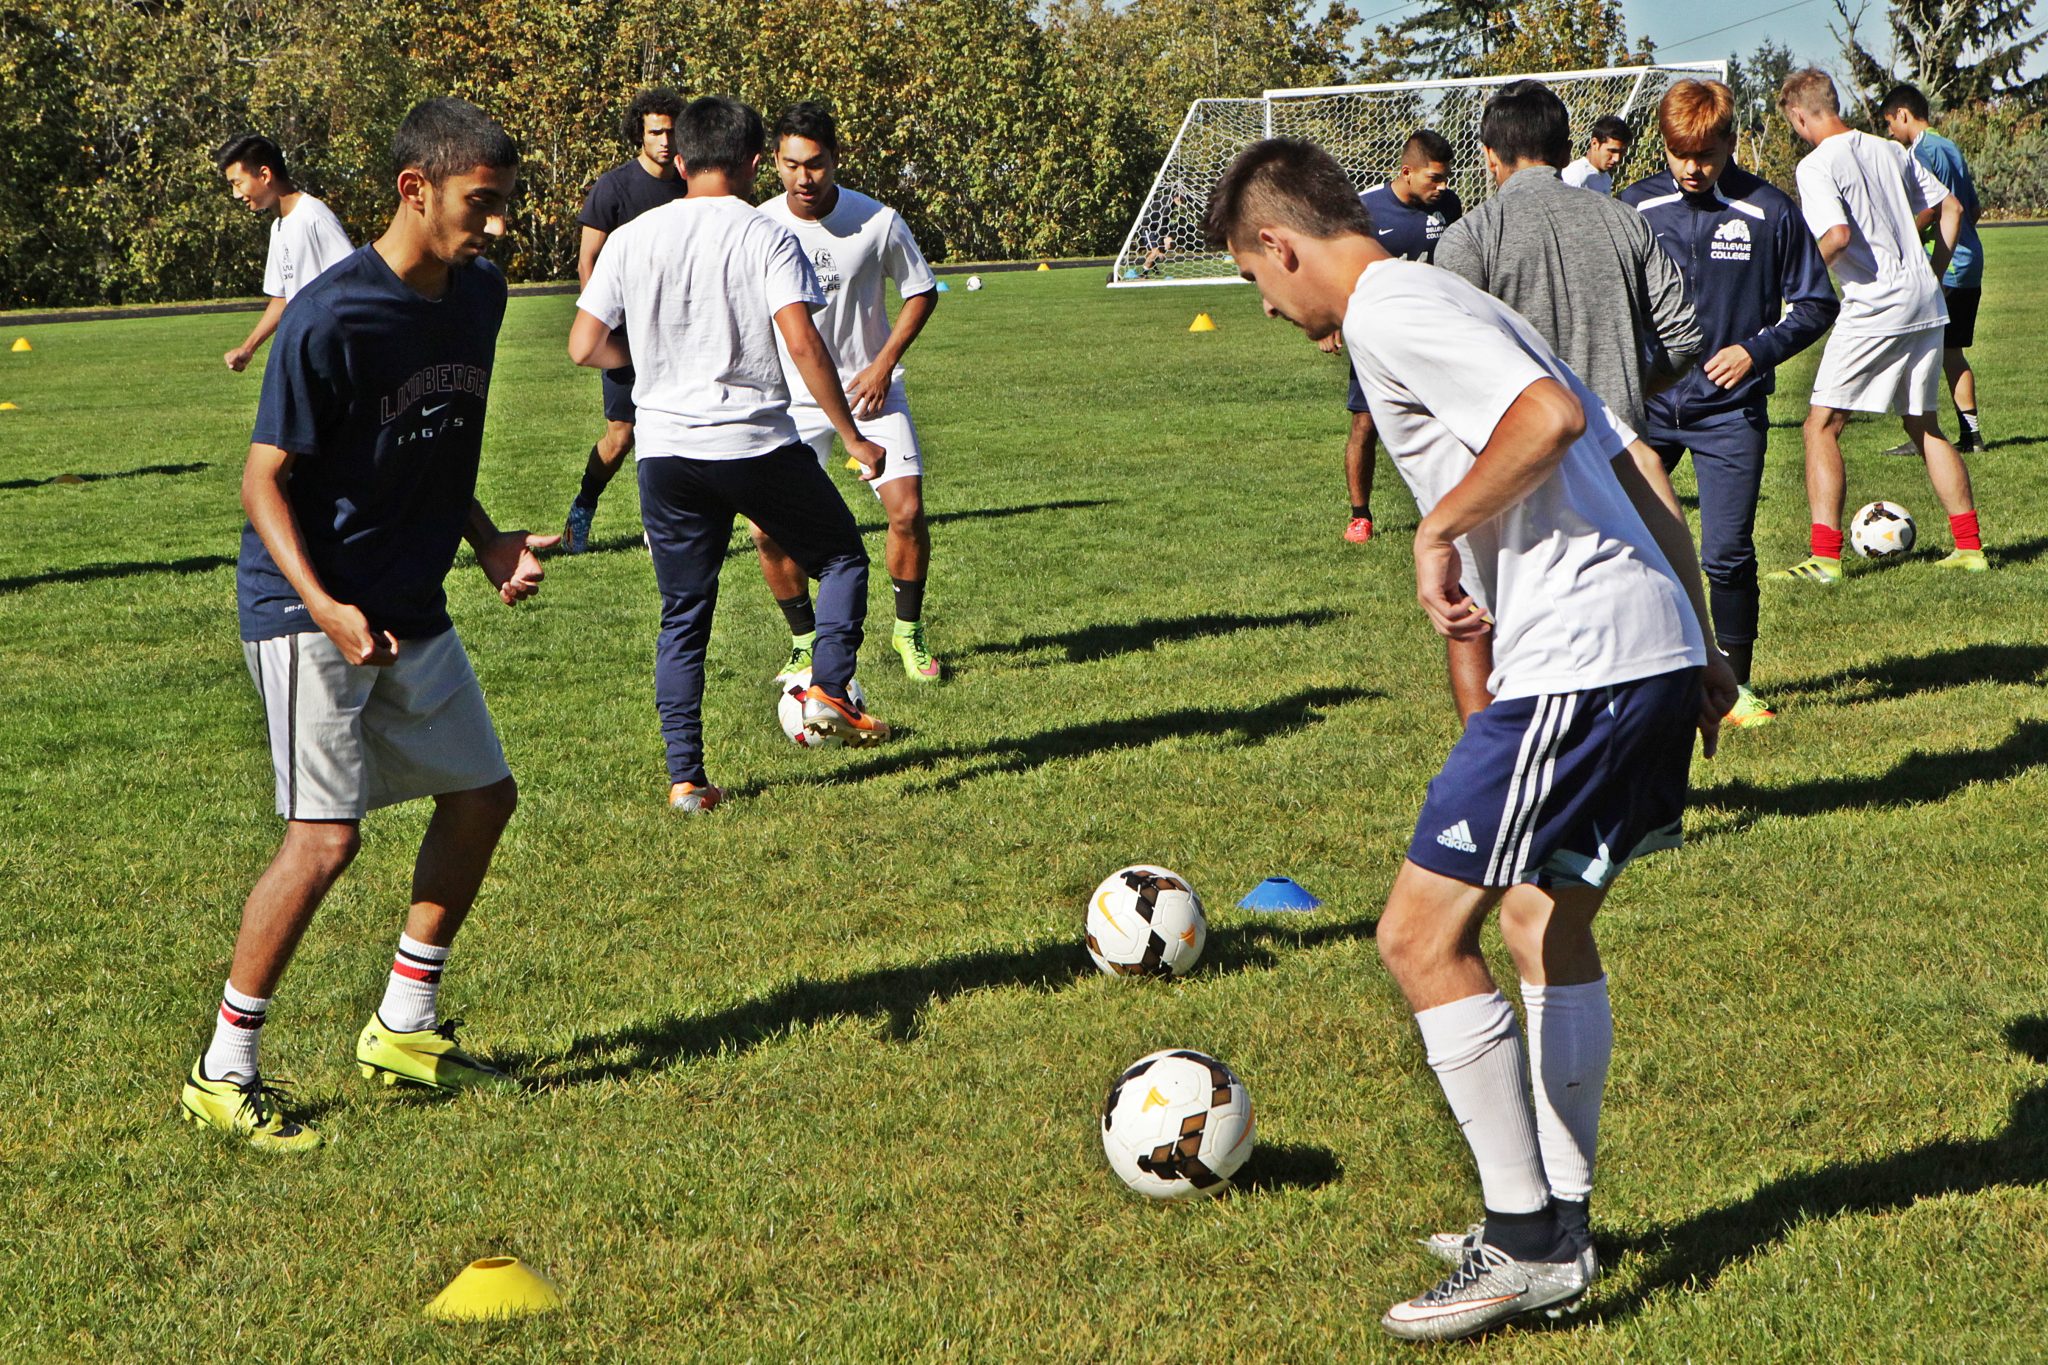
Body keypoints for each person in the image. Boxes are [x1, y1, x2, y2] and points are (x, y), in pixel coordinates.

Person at [1205, 135, 1735, 1344]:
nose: (1267, 306)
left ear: (1278, 246)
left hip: (1578, 662)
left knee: (1414, 936)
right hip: (1636, 643)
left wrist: (1433, 529)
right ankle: (1560, 1211)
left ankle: (1527, 1241)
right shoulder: (1453, 290)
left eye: (1252, 280)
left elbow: (1548, 422)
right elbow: (1634, 458)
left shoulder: (1393, 306)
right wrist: (1698, 640)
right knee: (1542, 917)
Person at [181, 99, 555, 1153]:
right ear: (415, 189)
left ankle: (403, 1027)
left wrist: (482, 539)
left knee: (482, 797)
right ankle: (224, 1068)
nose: (493, 226)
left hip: (406, 599)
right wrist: (327, 608)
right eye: (479, 204)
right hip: (309, 606)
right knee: (324, 838)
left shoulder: (478, 296)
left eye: (503, 205)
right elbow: (261, 483)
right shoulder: (332, 315)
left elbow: (436, 440)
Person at [568, 95, 892, 813]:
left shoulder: (632, 237)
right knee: (841, 557)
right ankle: (831, 687)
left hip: (665, 453)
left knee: (684, 614)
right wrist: (852, 435)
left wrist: (649, 364)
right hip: (753, 442)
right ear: (753, 164)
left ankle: (686, 779)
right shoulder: (767, 236)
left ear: (680, 161)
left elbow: (583, 344)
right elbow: (802, 343)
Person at [1431, 80, 1703, 722]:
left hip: (1517, 478)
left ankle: (1495, 777)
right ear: (1562, 148)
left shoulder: (1472, 237)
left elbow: (1447, 362)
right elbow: (1685, 337)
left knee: (1502, 633)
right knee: (1637, 636)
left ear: (1490, 156)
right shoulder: (1623, 220)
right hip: (1621, 468)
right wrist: (1629, 387)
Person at [1621, 79, 1838, 729]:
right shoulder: (1633, 207)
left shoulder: (1769, 211)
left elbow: (1816, 303)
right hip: (1645, 410)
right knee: (1620, 543)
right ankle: (1633, 676)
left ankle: (1735, 686)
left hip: (1729, 411)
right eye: (1679, 153)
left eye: (1706, 155)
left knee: (1727, 552)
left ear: (1729, 143)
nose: (1691, 168)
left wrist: (1757, 350)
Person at [754, 102, 944, 683]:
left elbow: (922, 292)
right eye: (790, 165)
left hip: (870, 392)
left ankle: (907, 634)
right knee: (766, 532)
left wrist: (884, 363)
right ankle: (804, 641)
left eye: (815, 165)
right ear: (776, 164)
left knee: (907, 512)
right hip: (787, 402)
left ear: (835, 159)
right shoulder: (756, 224)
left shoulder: (878, 221)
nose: (803, 179)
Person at [1770, 68, 1982, 584]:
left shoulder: (1817, 165)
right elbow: (1948, 207)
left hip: (1876, 304)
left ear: (1798, 115)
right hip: (1924, 301)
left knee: (1821, 425)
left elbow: (1837, 236)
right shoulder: (1890, 150)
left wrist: (1791, 281)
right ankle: (1969, 547)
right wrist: (1932, 271)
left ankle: (1824, 559)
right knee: (1923, 423)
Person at [560, 88, 689, 553]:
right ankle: (584, 504)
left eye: (673, 131)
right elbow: (587, 261)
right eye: (656, 131)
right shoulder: (613, 188)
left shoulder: (692, 184)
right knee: (621, 437)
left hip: (680, 336)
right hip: (625, 338)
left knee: (680, 428)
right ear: (639, 133)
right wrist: (605, 321)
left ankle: (671, 527)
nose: (665, 141)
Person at [1337, 129, 1463, 544]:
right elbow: (1340, 271)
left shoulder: (1449, 207)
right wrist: (1334, 321)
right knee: (1365, 423)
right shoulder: (1366, 211)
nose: (1442, 187)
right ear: (1407, 172)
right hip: (1378, 333)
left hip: (1434, 330)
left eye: (1446, 178)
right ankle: (1360, 515)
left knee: (1449, 419)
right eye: (1434, 179)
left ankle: (1450, 509)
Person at [1880, 83, 1986, 454]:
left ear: (1904, 115)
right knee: (1952, 350)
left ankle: (1925, 435)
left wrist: (1903, 231)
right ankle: (1971, 436)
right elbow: (1971, 209)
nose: (1890, 132)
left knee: (1916, 349)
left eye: (1890, 122)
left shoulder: (1921, 151)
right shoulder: (1951, 147)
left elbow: (1934, 207)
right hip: (1970, 262)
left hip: (1944, 264)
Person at [214, 133, 353, 373]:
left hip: (330, 360)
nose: (236, 195)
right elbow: (283, 298)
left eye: (237, 183)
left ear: (265, 175)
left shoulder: (313, 216)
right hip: (303, 355)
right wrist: (248, 348)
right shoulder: (278, 226)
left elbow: (353, 283)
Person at [1560, 115, 1630, 194]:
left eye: (1622, 152)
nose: (1616, 158)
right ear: (1595, 144)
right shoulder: (1575, 176)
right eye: (1612, 151)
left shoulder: (1606, 178)